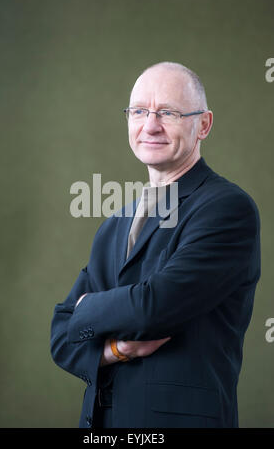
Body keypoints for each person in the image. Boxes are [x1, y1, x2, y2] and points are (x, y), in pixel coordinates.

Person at [50, 62, 261, 428]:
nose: (150, 125)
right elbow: (60, 337)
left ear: (203, 125)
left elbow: (154, 307)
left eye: (168, 112)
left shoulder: (226, 209)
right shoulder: (115, 224)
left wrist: (86, 306)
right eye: (139, 112)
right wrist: (118, 349)